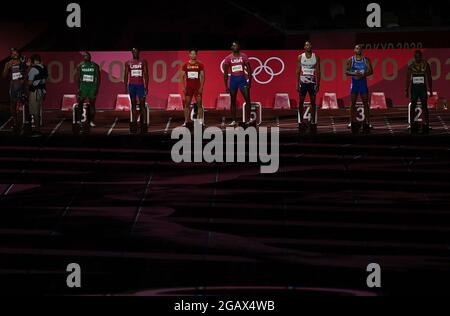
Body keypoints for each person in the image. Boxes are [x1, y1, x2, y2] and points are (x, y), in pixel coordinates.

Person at [223, 41, 254, 127]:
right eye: (233, 45)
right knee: (233, 100)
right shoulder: (228, 58)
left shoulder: (244, 56)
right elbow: (225, 73)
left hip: (242, 80)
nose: (234, 46)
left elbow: (249, 70)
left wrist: (250, 82)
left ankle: (248, 120)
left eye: (236, 45)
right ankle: (233, 120)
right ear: (231, 47)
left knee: (247, 99)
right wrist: (226, 86)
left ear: (239, 46)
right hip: (233, 80)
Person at [345, 44, 374, 132]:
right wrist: (355, 74)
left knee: (366, 103)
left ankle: (368, 122)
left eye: (359, 48)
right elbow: (346, 72)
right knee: (352, 103)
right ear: (354, 50)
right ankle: (351, 121)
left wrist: (363, 74)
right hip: (354, 84)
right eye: (356, 48)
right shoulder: (351, 60)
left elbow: (371, 71)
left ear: (361, 50)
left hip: (363, 83)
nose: (358, 49)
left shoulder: (366, 60)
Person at [406, 50, 433, 133]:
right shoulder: (411, 66)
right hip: (414, 89)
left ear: (421, 56)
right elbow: (407, 79)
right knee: (413, 105)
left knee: (424, 105)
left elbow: (429, 77)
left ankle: (427, 123)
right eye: (416, 56)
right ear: (414, 57)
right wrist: (406, 90)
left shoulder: (425, 64)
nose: (417, 58)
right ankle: (412, 123)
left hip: (422, 88)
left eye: (419, 56)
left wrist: (431, 89)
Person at [296, 41, 320, 132]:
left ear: (311, 46)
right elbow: (297, 71)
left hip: (312, 81)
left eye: (309, 44)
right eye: (306, 45)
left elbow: (318, 71)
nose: (308, 46)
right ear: (304, 47)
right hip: (303, 81)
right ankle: (301, 122)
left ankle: (313, 122)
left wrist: (318, 83)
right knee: (301, 101)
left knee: (313, 101)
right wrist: (297, 83)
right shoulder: (300, 57)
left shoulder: (316, 57)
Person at [2, 48, 28, 131]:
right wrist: (6, 67)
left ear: (18, 54)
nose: (14, 54)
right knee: (13, 105)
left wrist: (23, 81)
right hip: (13, 86)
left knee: (24, 103)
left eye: (15, 53)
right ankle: (16, 122)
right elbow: (4, 75)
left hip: (22, 86)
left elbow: (27, 73)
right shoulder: (8, 63)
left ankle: (26, 122)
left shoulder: (22, 62)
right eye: (12, 53)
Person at [124, 48, 149, 133]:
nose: (135, 53)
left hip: (141, 86)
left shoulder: (143, 61)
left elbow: (146, 74)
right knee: (133, 104)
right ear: (132, 52)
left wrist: (146, 86)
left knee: (142, 104)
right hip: (132, 86)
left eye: (136, 51)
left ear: (139, 52)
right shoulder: (128, 62)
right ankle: (134, 123)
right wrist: (125, 86)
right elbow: (126, 75)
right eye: (133, 51)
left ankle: (145, 123)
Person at [74, 51, 101, 127]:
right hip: (83, 87)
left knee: (92, 104)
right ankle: (79, 121)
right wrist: (78, 88)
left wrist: (97, 88)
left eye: (87, 56)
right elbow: (78, 78)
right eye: (84, 56)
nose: (85, 57)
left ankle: (91, 121)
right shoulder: (80, 65)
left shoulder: (95, 65)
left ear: (90, 57)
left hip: (92, 87)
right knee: (80, 103)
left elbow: (98, 78)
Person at [181, 49, 205, 127]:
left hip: (197, 88)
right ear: (189, 55)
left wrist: (201, 87)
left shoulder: (200, 64)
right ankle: (186, 121)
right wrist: (183, 87)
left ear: (196, 55)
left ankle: (201, 121)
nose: (193, 55)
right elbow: (181, 76)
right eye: (191, 54)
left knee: (199, 105)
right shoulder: (185, 65)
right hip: (189, 88)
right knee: (187, 105)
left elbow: (202, 76)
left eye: (194, 54)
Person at [26, 54, 48, 133]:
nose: (30, 62)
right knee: (38, 111)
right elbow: (44, 80)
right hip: (41, 91)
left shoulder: (33, 69)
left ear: (34, 61)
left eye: (31, 61)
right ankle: (37, 129)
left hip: (34, 92)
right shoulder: (44, 67)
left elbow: (29, 82)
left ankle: (37, 130)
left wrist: (28, 68)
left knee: (35, 112)